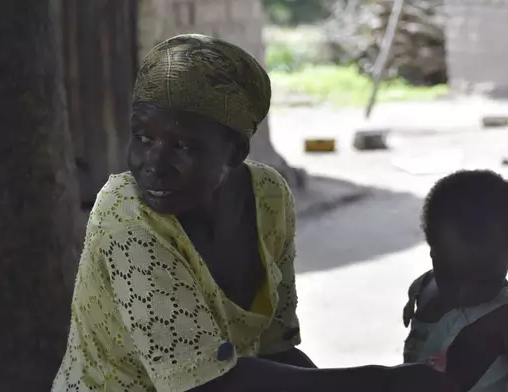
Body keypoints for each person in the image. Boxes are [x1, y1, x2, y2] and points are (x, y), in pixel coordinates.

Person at [51, 33, 456, 392]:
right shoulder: (126, 215)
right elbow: (208, 383)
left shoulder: (267, 197)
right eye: (143, 137)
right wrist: (382, 382)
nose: (153, 163)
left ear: (235, 152)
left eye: (183, 146)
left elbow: (274, 349)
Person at [403, 170, 508, 391]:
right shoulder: (423, 289)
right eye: (453, 277)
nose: (467, 292)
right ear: (432, 251)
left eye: (484, 278)